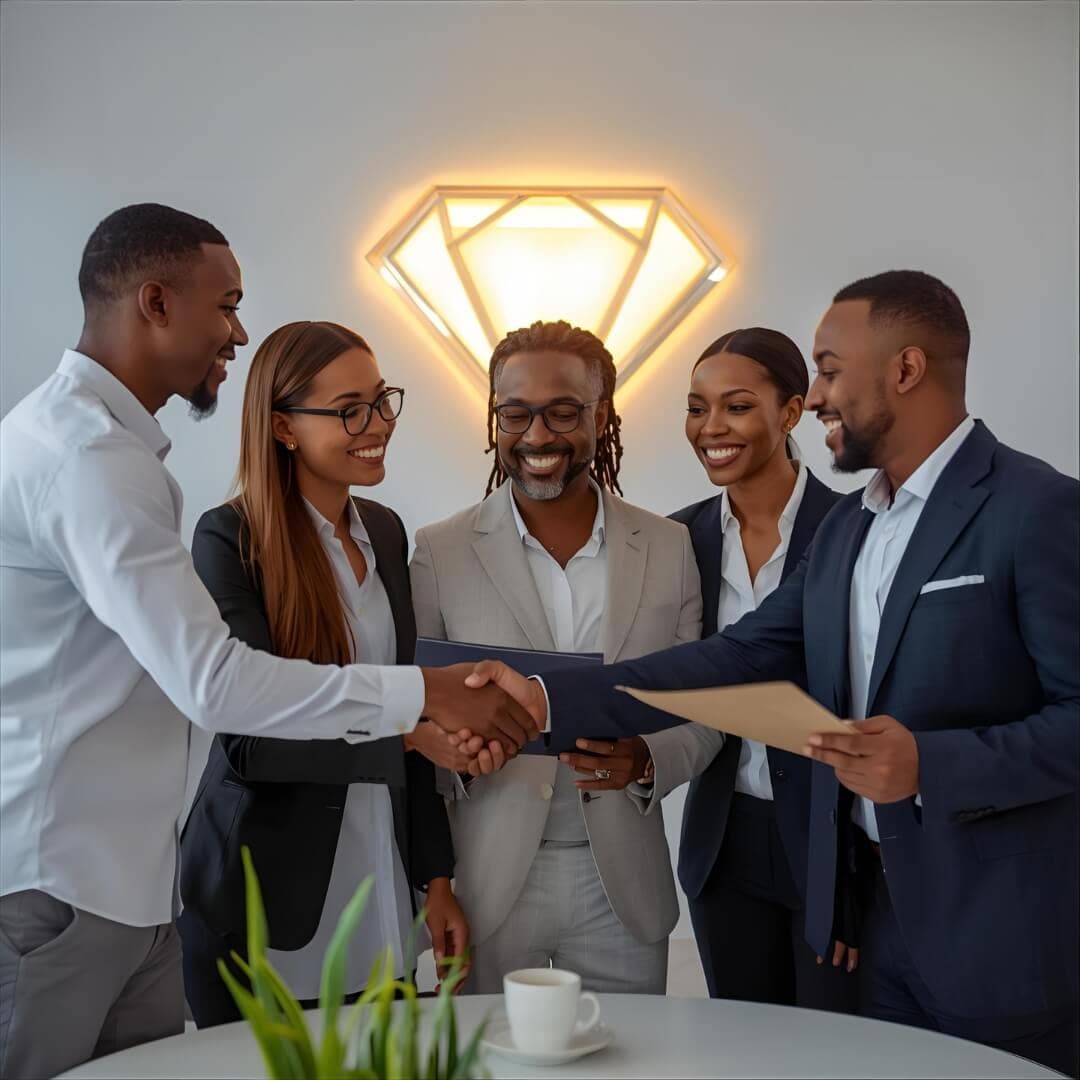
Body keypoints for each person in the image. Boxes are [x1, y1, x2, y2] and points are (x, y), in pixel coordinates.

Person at [467, 272, 1080, 1075]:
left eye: (828, 370)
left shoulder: (1037, 508)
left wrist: (933, 764)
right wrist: (547, 696)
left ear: (905, 370)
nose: (817, 395)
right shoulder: (857, 529)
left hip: (994, 931)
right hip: (867, 916)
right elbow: (733, 656)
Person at [0, 204, 535, 1079]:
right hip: (63, 880)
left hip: (136, 886)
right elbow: (218, 690)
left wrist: (429, 842)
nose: (238, 332)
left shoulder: (128, 459)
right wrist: (421, 702)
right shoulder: (89, 459)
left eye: (380, 404)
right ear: (157, 301)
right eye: (227, 306)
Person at [179, 321, 474, 1026]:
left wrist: (436, 881)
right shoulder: (231, 540)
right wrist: (406, 738)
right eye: (349, 410)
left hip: (381, 891)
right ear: (282, 426)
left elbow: (411, 703)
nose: (377, 426)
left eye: (382, 401)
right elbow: (250, 740)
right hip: (264, 900)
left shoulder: (388, 530)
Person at [410, 320, 702, 994]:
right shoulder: (439, 551)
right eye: (515, 413)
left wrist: (651, 759)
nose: (537, 435)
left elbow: (701, 706)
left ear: (602, 417)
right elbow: (419, 714)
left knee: (627, 1067)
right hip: (486, 876)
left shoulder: (669, 547)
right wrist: (435, 873)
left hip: (623, 883)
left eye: (563, 412)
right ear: (494, 419)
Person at [575, 328, 857, 1010]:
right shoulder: (676, 540)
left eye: (735, 406)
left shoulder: (855, 527)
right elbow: (671, 676)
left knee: (832, 1053)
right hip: (722, 843)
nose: (710, 428)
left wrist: (857, 872)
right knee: (743, 1045)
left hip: (830, 843)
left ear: (791, 413)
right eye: (696, 408)